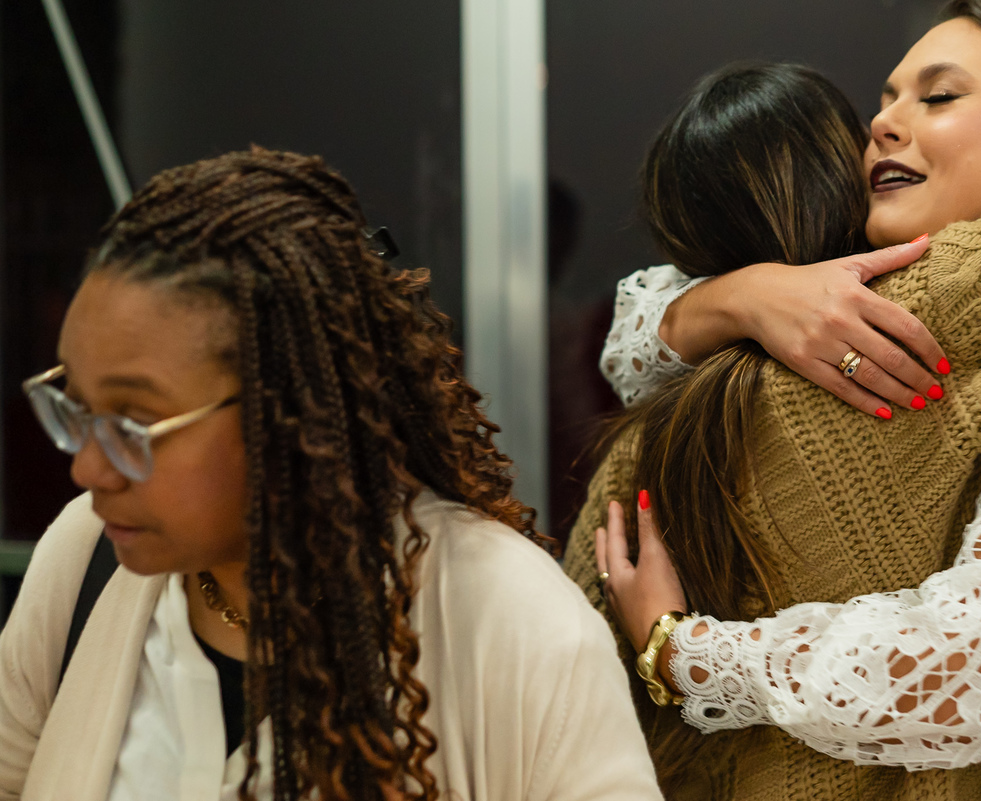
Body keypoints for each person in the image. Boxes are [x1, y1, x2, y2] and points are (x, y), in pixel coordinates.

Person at [565, 2, 981, 800]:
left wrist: (683, 653)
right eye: (885, 100)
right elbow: (634, 344)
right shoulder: (866, 305)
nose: (886, 125)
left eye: (937, 98)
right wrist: (745, 296)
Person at [0, 148, 663, 801]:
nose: (87, 467)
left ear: (288, 409)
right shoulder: (85, 559)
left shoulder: (512, 625)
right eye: (76, 405)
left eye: (132, 423)